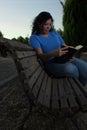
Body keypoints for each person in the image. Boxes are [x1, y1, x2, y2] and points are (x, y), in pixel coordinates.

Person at [29, 11, 87, 86]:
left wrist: (70, 54)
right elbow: (41, 56)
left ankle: (79, 91)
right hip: (51, 63)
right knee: (72, 69)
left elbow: (64, 45)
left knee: (85, 68)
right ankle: (75, 92)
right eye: (46, 24)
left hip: (64, 59)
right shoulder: (34, 38)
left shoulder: (54, 32)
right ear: (39, 23)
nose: (48, 27)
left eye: (50, 24)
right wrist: (53, 53)